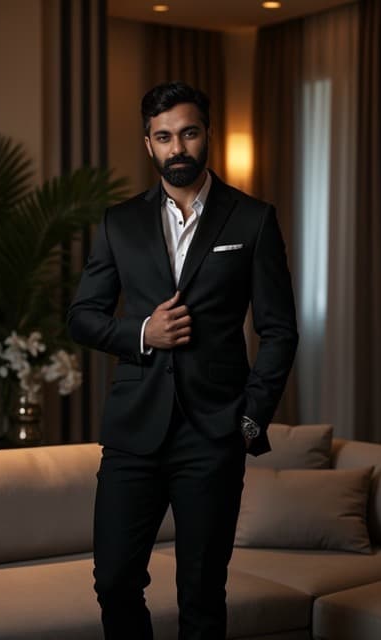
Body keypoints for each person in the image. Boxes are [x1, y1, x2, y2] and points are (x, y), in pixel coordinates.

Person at [67, 81, 298, 640]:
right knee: (115, 580)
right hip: (133, 430)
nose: (178, 148)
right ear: (148, 144)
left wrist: (249, 420)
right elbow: (82, 315)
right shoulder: (118, 222)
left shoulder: (252, 220)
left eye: (188, 133)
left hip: (214, 434)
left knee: (200, 593)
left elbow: (279, 331)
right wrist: (144, 331)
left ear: (206, 136)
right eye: (164, 136)